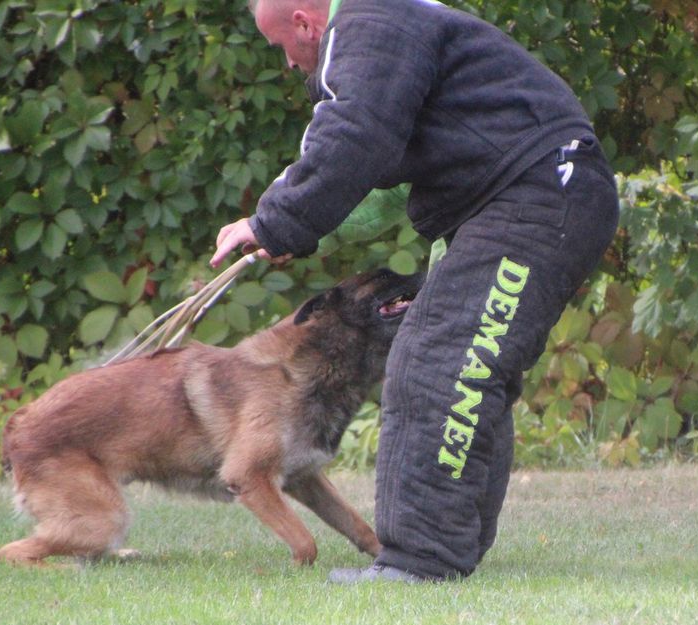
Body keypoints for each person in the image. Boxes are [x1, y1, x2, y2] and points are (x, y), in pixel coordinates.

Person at [211, 0, 619, 583]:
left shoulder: (369, 22)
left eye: (282, 46)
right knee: (470, 369)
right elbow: (371, 179)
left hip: (537, 196)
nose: (288, 62)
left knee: (437, 361)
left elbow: (354, 136)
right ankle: (450, 548)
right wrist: (289, 229)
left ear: (304, 22)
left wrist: (278, 220)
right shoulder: (396, 32)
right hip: (541, 192)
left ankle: (421, 559)